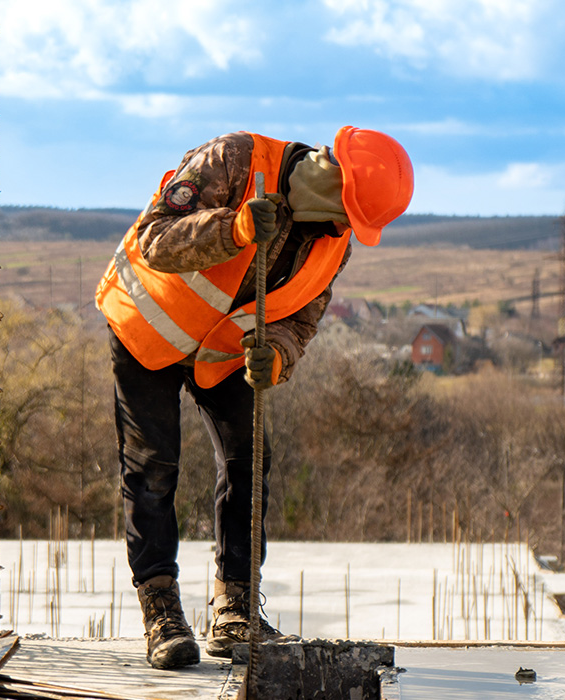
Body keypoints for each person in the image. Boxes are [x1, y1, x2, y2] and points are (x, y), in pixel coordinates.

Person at [95, 126, 413, 669]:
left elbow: (301, 320)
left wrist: (279, 357)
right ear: (333, 183)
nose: (344, 229)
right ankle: (162, 611)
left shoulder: (334, 245)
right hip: (148, 328)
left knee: (249, 460)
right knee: (154, 468)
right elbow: (156, 238)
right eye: (348, 215)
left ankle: (235, 607)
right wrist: (235, 228)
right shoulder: (236, 159)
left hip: (218, 355)